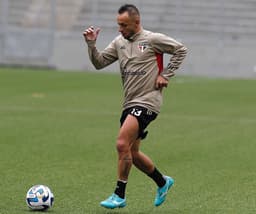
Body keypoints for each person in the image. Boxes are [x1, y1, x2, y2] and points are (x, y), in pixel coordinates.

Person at [83, 4, 187, 209]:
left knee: (122, 144)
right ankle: (163, 182)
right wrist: (91, 45)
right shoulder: (118, 42)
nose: (120, 29)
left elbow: (181, 50)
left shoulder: (152, 39)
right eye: (118, 25)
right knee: (133, 153)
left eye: (123, 25)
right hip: (129, 102)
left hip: (148, 100)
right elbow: (99, 63)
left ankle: (119, 195)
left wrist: (165, 74)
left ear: (136, 22)